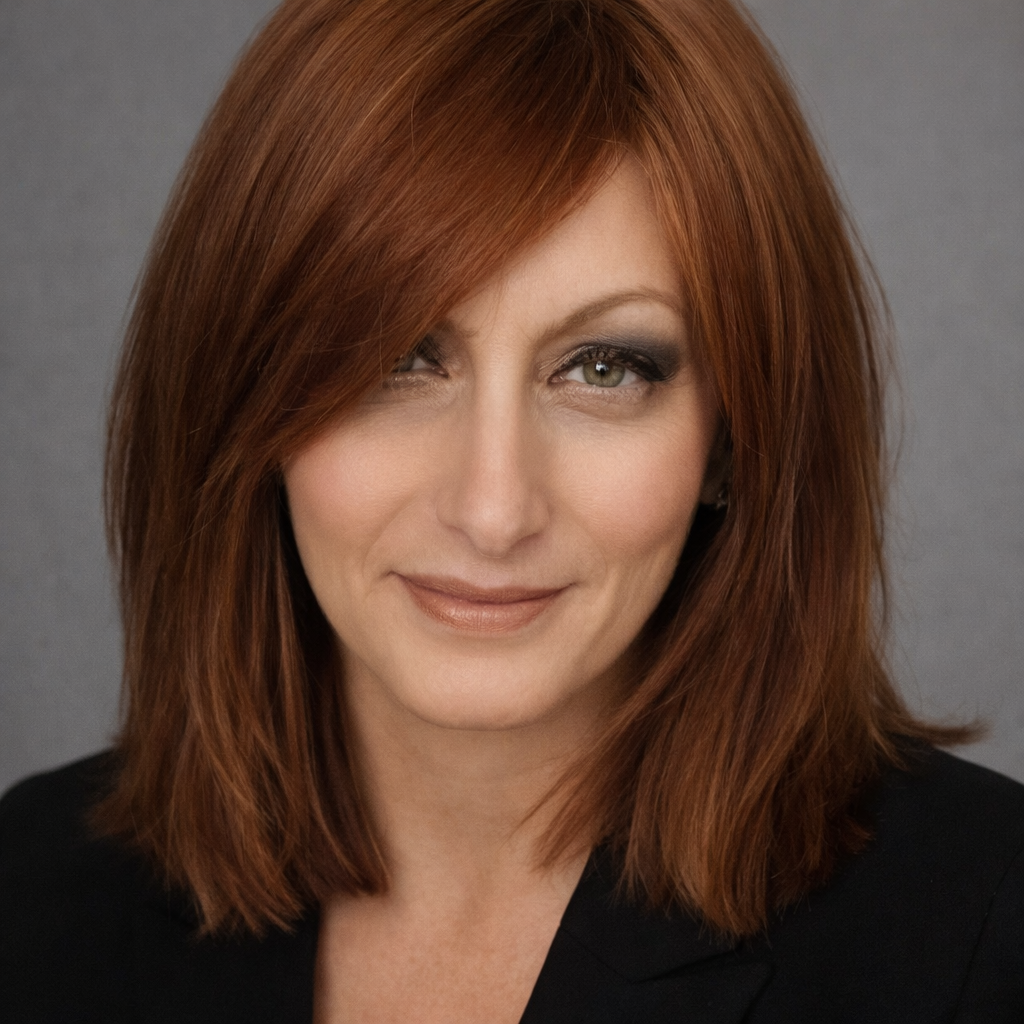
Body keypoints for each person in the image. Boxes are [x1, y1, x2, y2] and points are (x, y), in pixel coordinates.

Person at [1, 0, 1021, 1020]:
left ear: (734, 434)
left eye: (604, 367)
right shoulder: (33, 894)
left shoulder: (984, 928)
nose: (492, 509)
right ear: (246, 399)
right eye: (398, 358)